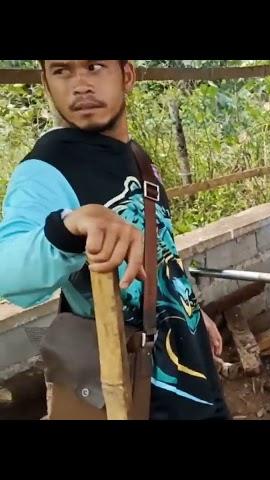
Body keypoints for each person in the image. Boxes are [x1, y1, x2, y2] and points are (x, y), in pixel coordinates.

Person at [0, 60, 230, 420]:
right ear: (46, 81)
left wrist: (194, 314)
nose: (80, 85)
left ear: (127, 75)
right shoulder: (45, 168)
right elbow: (9, 274)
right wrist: (67, 227)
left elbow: (163, 251)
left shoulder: (136, 156)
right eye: (62, 70)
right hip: (130, 390)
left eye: (94, 66)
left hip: (190, 368)